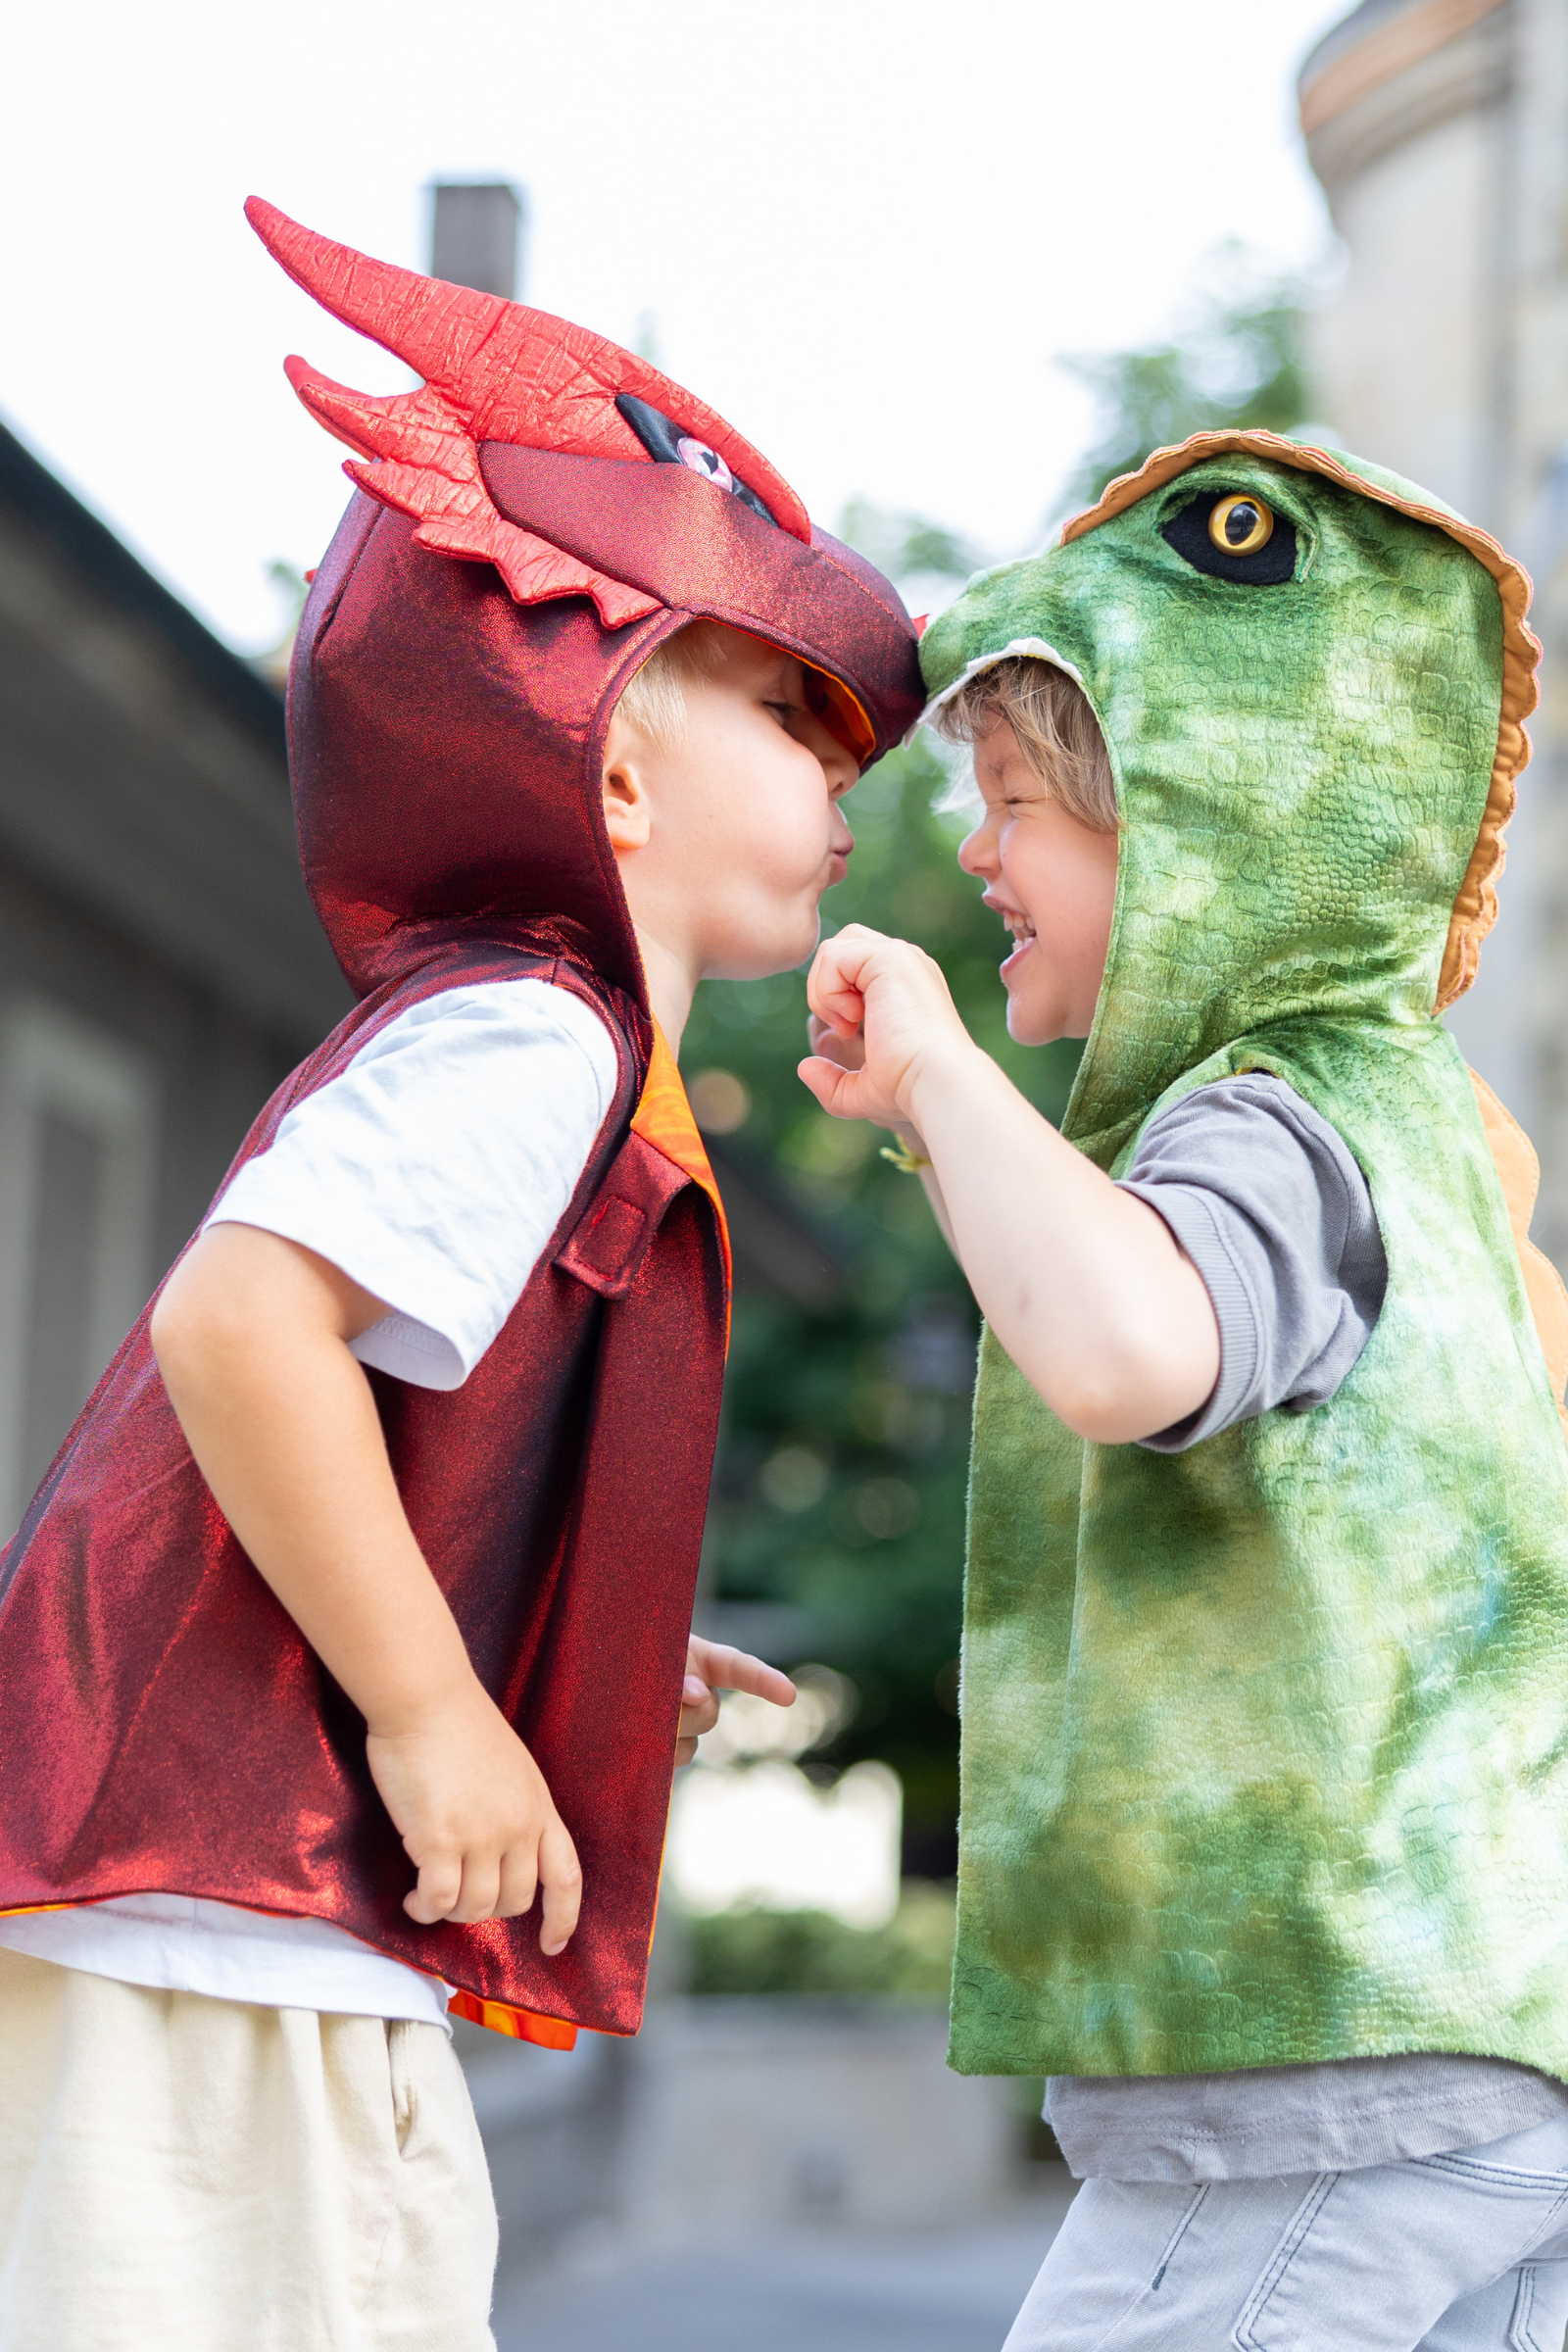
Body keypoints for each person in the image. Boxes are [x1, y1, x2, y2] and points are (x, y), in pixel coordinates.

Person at [0, 201, 922, 2350]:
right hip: (213, 1919)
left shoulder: (548, 1041)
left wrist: (545, 1636)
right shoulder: (533, 1029)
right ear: (606, 738)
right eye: (792, 713)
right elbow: (246, 1326)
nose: (841, 767)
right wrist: (432, 1714)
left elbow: (360, 1399)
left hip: (243, 1918)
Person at [801, 431, 1568, 2350]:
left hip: (1314, 2073)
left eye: (1014, 807)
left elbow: (1130, 1350)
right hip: (1461, 2047)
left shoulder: (1270, 1118)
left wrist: (936, 1080)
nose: (973, 849)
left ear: (1204, 822)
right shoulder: (1416, 1137)